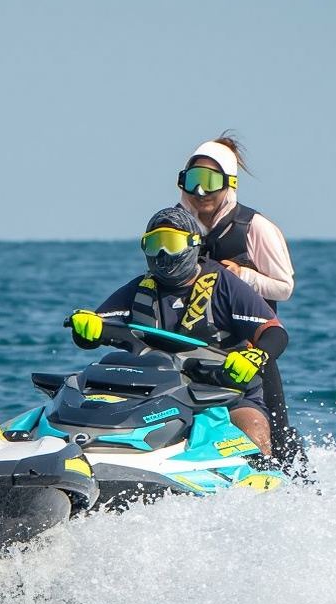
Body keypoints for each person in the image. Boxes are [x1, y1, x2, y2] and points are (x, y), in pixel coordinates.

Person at [67, 206, 288, 455]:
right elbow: (93, 331)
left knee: (253, 426)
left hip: (223, 391)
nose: (162, 253)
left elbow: (274, 332)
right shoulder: (140, 288)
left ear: (193, 245)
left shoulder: (225, 284)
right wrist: (86, 327)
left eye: (171, 243)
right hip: (156, 392)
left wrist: (256, 356)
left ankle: (264, 480)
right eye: (154, 244)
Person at [176, 135, 306, 471]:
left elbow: (284, 287)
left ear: (229, 184)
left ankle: (296, 486)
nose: (200, 192)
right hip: (189, 349)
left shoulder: (255, 228)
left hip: (247, 349)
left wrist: (242, 275)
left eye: (210, 182)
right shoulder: (176, 226)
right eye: (193, 181)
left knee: (275, 432)